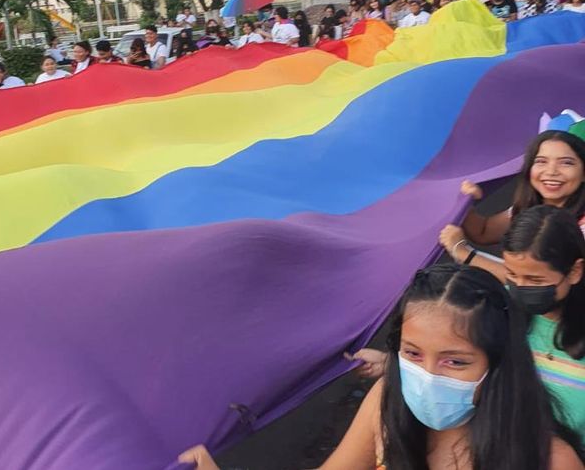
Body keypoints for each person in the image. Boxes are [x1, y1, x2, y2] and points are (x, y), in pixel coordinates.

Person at [180, 264, 585, 470]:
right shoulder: (386, 403)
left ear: (498, 364)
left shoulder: (550, 459)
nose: (428, 376)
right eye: (412, 354)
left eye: (455, 361)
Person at [439, 130, 585, 281]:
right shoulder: (528, 207)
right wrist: (464, 201)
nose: (551, 171)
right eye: (541, 161)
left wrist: (462, 252)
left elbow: (530, 282)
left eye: (566, 163)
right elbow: (483, 232)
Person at [503, 206, 585, 440]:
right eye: (511, 274)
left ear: (574, 271)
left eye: (535, 279)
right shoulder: (500, 315)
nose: (519, 287)